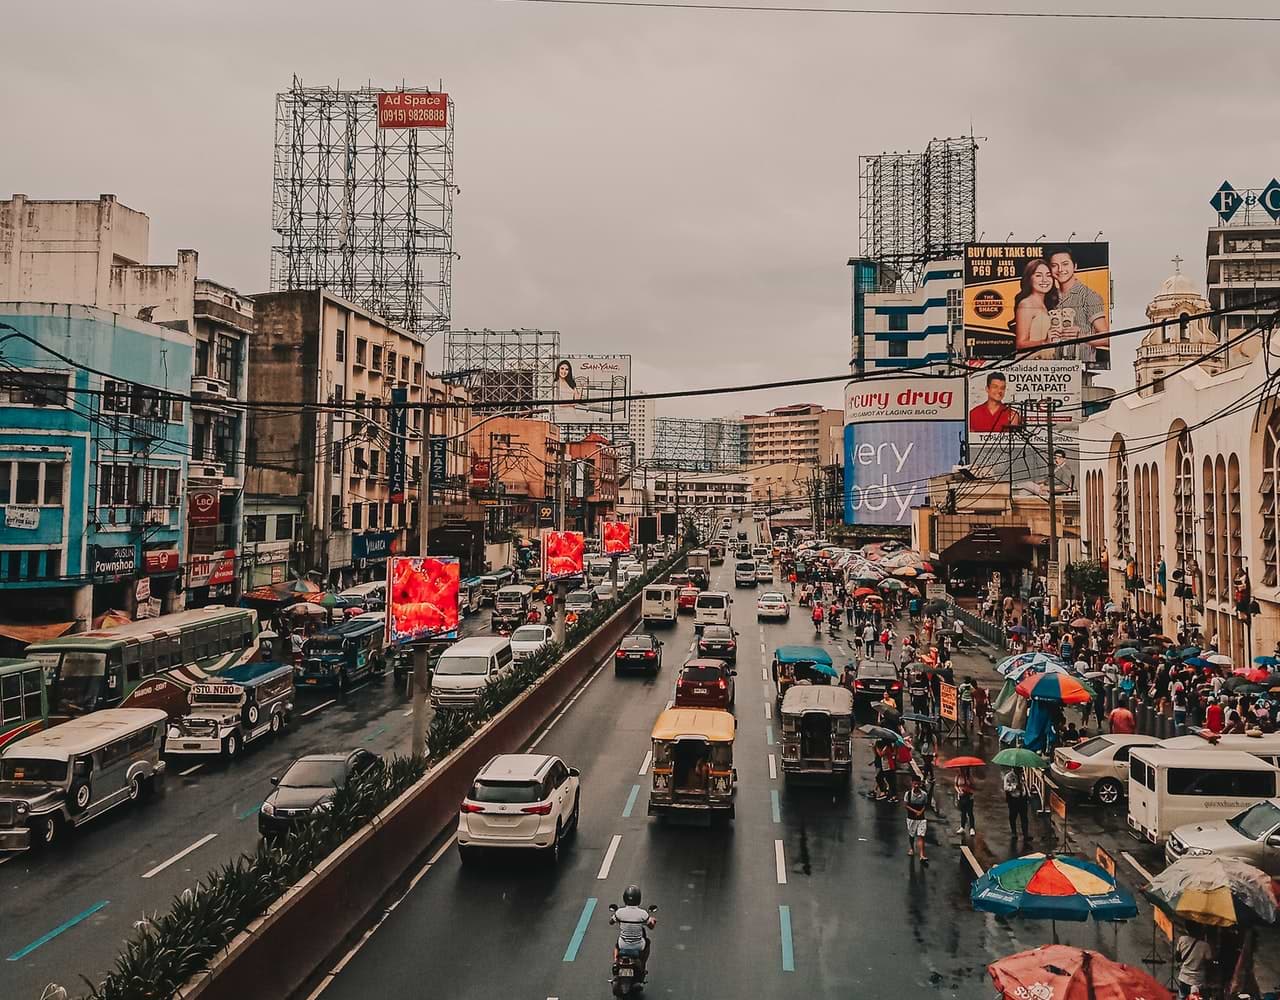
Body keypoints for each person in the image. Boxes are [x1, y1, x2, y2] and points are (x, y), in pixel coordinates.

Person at [1048, 246, 1109, 366]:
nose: (1060, 269)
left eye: (1065, 264)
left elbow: (1107, 338)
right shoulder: (1049, 297)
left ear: (1075, 266)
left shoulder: (1089, 296)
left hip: (1081, 367)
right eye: (1054, 265)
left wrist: (1080, 336)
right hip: (1051, 368)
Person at [1011, 257, 1059, 356]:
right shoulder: (1026, 304)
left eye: (1048, 275)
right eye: (1038, 275)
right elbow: (1020, 344)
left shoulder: (1047, 304)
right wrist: (1045, 342)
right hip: (1031, 365)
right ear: (1029, 279)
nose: (1045, 280)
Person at [611, 884, 657, 974]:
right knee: (647, 942)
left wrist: (619, 919)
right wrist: (653, 921)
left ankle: (616, 962)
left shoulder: (619, 912)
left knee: (616, 945)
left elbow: (611, 922)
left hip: (623, 945)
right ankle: (642, 965)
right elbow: (651, 927)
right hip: (638, 946)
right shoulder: (643, 914)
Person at [1173, 928, 1212, 1000]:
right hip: (1198, 981)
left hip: (1183, 978)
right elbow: (1209, 963)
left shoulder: (1182, 939)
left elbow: (1178, 958)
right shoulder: (1205, 946)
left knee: (1183, 997)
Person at [903, 774, 930, 866]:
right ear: (912, 783)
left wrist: (921, 811)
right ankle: (912, 848)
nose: (916, 786)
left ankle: (922, 855)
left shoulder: (924, 795)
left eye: (918, 784)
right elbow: (906, 805)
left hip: (921, 819)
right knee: (912, 835)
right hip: (911, 818)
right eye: (915, 784)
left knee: (921, 835)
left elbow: (925, 805)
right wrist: (915, 811)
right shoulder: (908, 794)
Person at [1003, 766, 1030, 840]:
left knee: (1024, 817)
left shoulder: (1022, 775)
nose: (1021, 770)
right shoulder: (1008, 776)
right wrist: (1015, 787)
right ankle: (1014, 833)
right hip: (1014, 799)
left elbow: (1024, 785)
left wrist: (1026, 793)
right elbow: (1006, 788)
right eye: (1019, 769)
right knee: (1013, 817)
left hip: (1022, 799)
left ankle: (1026, 834)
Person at [954, 766, 976, 838]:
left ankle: (972, 828)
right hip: (961, 796)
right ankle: (962, 827)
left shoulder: (970, 777)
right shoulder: (958, 777)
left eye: (963, 769)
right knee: (963, 812)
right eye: (960, 769)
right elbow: (956, 785)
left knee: (970, 812)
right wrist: (959, 791)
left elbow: (973, 786)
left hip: (969, 797)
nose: (961, 770)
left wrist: (968, 788)